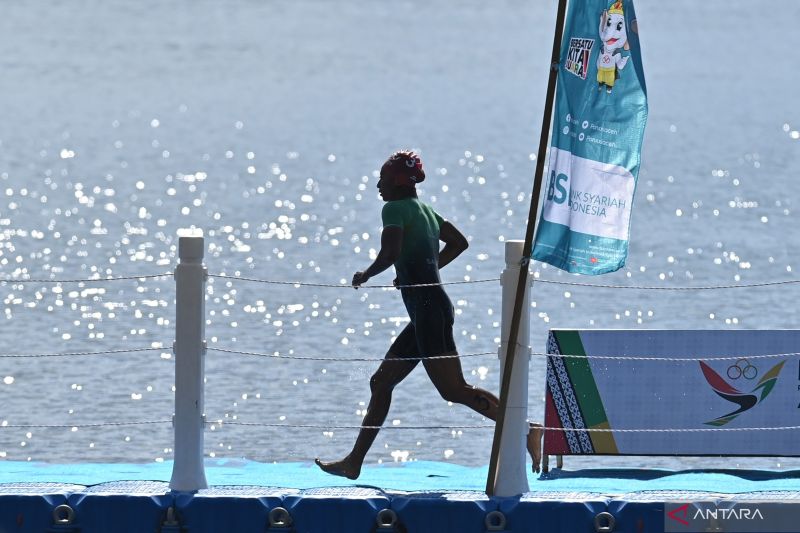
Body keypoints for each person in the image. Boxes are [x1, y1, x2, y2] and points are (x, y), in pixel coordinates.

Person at [315, 150, 541, 479]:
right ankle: (354, 462)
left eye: (381, 179)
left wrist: (367, 273)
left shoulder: (393, 208)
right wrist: (424, 271)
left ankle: (525, 429)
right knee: (381, 382)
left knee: (454, 390)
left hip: (429, 313)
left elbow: (391, 251)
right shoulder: (425, 211)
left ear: (394, 181)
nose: (378, 185)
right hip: (427, 312)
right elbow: (459, 243)